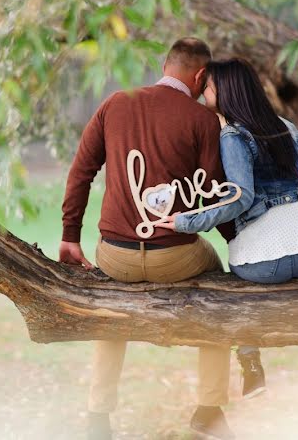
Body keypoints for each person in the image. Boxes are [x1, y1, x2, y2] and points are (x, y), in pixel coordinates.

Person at [59, 38, 239, 440]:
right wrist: (239, 244)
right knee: (222, 289)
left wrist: (71, 236)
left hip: (115, 256)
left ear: (164, 65)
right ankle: (209, 409)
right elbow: (212, 197)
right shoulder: (204, 120)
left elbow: (80, 173)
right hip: (175, 258)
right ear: (200, 76)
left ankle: (97, 417)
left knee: (111, 313)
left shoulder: (114, 103)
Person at [158, 57, 298, 396]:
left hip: (269, 263)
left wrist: (186, 221)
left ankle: (251, 363)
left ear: (224, 90)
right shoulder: (286, 127)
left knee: (235, 284)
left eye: (207, 87)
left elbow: (240, 199)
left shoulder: (233, 136)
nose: (203, 92)